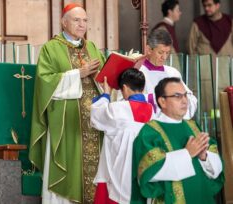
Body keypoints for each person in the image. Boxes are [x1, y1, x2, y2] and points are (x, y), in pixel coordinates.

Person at [29, 3, 105, 204]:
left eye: (85, 20)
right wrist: (78, 74)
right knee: (68, 169)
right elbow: (45, 82)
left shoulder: (92, 48)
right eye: (76, 20)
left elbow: (106, 80)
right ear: (63, 22)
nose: (82, 25)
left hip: (94, 123)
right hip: (66, 124)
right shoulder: (51, 48)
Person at [131, 77, 224, 204]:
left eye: (185, 95)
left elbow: (216, 170)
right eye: (177, 96)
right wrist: (187, 153)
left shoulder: (193, 126)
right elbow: (149, 171)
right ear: (162, 101)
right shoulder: (150, 132)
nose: (185, 101)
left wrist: (204, 157)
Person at [90, 68, 154, 204]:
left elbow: (96, 116)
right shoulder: (153, 112)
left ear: (124, 88)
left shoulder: (118, 109)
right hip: (142, 171)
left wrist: (106, 94)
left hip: (119, 173)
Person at [140, 29, 197, 119]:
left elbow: (191, 99)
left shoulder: (172, 72)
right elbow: (128, 103)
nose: (164, 57)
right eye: (160, 52)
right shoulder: (138, 72)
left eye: (167, 53)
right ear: (149, 49)